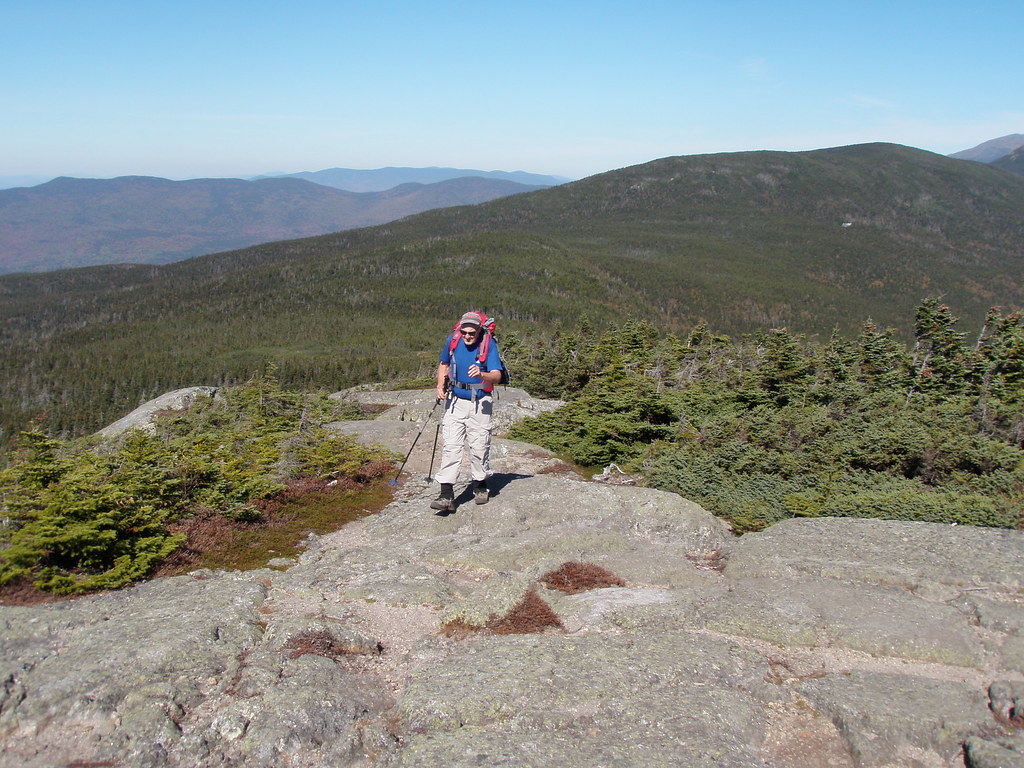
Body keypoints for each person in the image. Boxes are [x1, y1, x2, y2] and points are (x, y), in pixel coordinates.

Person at [430, 311, 504, 512]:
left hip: (480, 402)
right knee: (451, 446)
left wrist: (482, 374)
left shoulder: (488, 344)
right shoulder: (453, 340)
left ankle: (479, 485)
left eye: (471, 332)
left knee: (479, 446)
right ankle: (446, 494)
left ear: (479, 330)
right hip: (455, 400)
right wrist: (439, 385)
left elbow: (497, 376)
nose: (467, 336)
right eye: (464, 332)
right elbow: (444, 363)